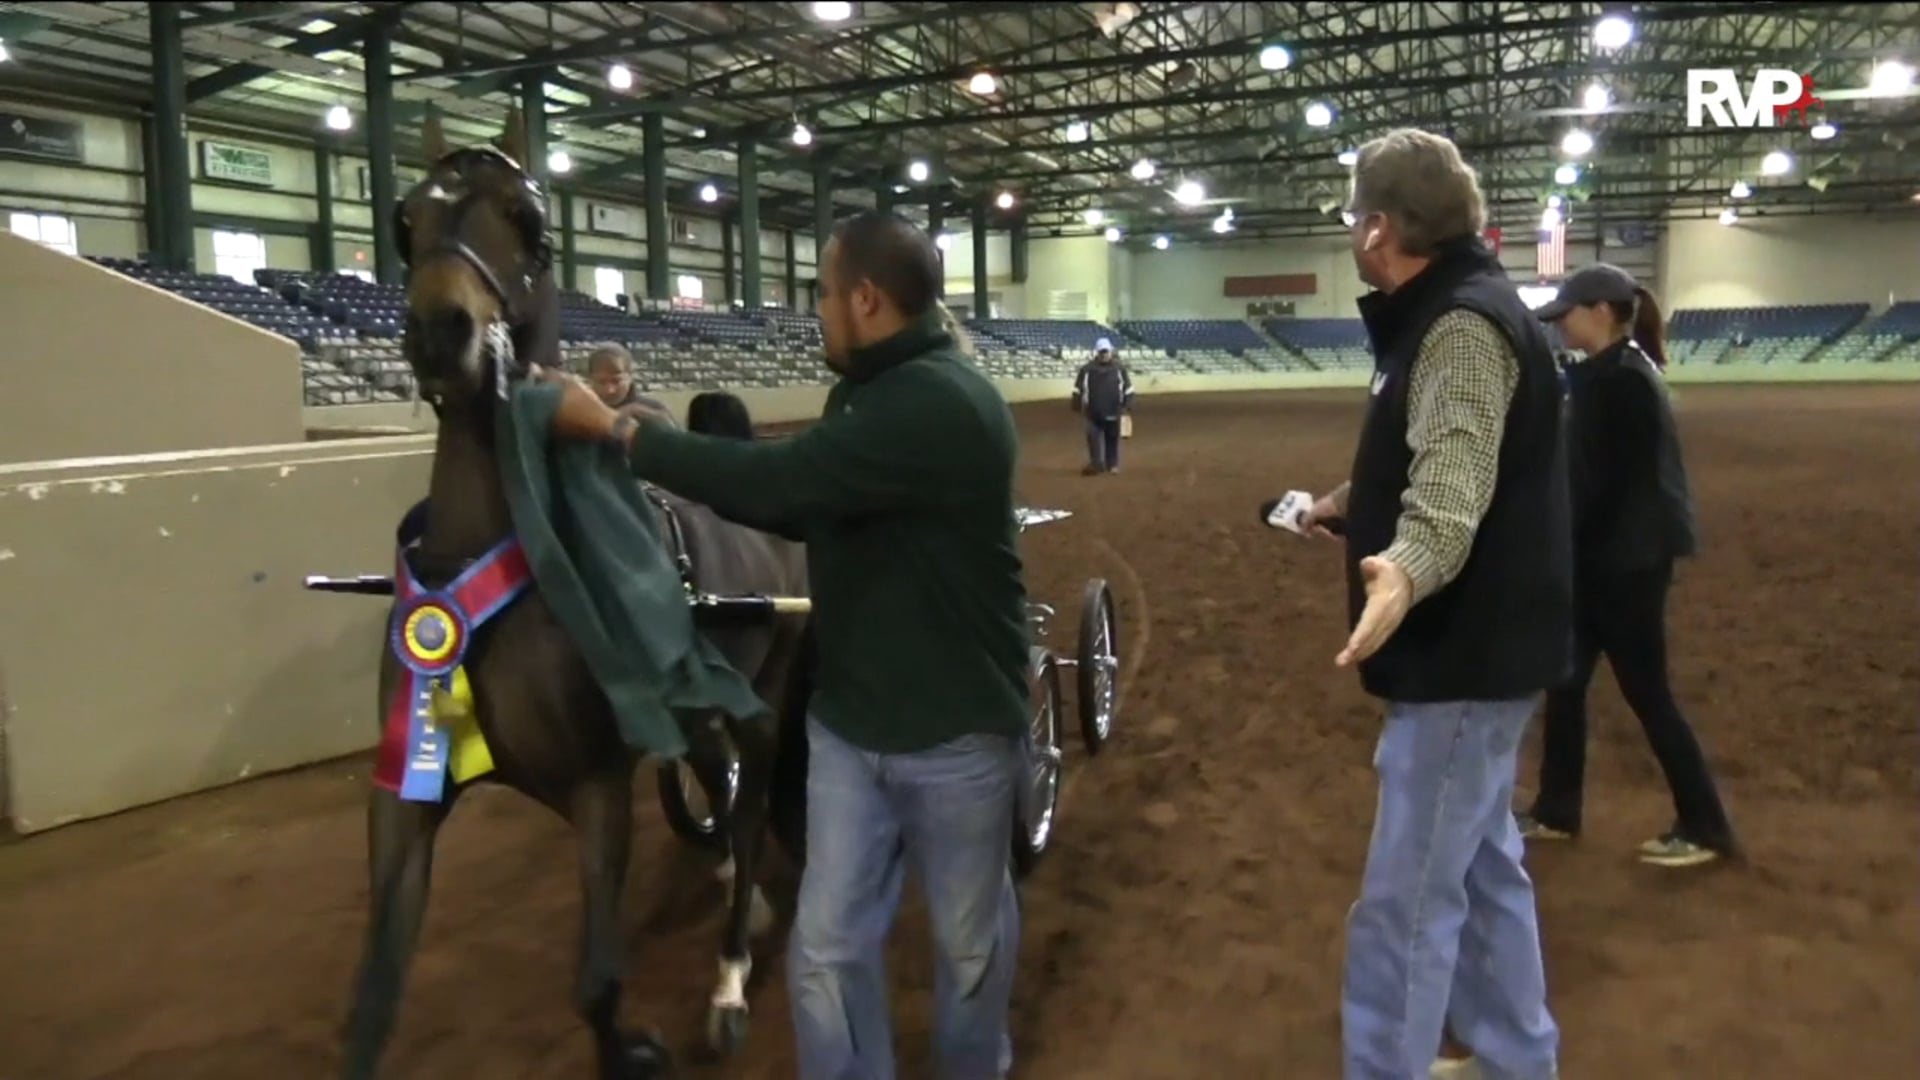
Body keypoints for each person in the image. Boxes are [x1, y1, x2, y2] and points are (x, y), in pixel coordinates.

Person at [542, 210, 1029, 1080]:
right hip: (852, 727)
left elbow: (782, 486)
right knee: (828, 950)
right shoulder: (873, 395)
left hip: (956, 733)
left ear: (868, 300)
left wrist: (622, 432)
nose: (818, 315)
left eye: (826, 297)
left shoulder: (938, 402)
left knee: (968, 951)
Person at [1299, 128, 1568, 1080]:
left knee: (1405, 903)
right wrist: (1355, 503)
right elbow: (1446, 457)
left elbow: (1450, 499)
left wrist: (1404, 566)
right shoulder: (1457, 310)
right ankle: (1516, 1055)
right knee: (1486, 871)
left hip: (1461, 658)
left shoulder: (1457, 324)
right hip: (1486, 658)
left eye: (1350, 218)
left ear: (1378, 230)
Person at [1519, 263, 1739, 868]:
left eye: (1567, 313)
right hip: (1610, 558)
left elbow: (1596, 485)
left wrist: (1548, 542)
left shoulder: (1618, 382)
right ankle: (1557, 809)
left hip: (1624, 563)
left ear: (1601, 311)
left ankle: (1705, 823)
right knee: (1565, 683)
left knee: (1648, 693)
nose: (1561, 325)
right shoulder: (1612, 375)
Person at [1071, 337, 1132, 475]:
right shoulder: (1086, 370)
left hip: (1113, 410)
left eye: (1106, 351)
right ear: (1097, 353)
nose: (1104, 354)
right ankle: (1096, 463)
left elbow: (1128, 389)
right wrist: (1076, 405)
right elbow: (1078, 389)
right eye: (1101, 352)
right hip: (1093, 412)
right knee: (1093, 438)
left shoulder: (1119, 369)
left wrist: (1127, 406)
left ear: (1111, 351)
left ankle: (1112, 464)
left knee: (1112, 439)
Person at [584, 342, 671, 418]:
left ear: (630, 377)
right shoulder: (578, 414)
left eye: (616, 381)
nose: (610, 390)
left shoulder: (654, 411)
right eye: (601, 382)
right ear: (590, 380)